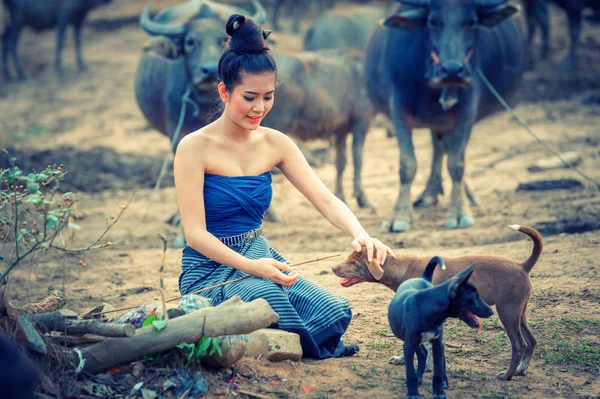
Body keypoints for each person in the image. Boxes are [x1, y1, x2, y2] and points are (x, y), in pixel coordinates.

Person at [174, 13, 396, 359]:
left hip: (261, 256)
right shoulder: (193, 148)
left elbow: (324, 199)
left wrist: (361, 234)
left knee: (334, 310)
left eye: (268, 96)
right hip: (209, 272)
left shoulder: (276, 143)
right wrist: (253, 268)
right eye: (249, 97)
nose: (259, 107)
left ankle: (273, 339)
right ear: (224, 91)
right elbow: (195, 235)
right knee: (269, 296)